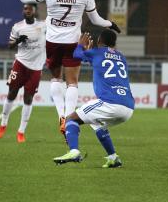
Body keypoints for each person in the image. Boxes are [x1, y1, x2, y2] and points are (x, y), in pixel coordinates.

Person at [2, 0, 120, 138]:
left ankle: (61, 116)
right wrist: (110, 23)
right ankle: (70, 119)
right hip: (73, 42)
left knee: (56, 78)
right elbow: (96, 21)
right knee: (72, 82)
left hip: (52, 42)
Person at [53, 30, 134, 168]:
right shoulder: (121, 57)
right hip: (128, 108)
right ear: (114, 43)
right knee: (96, 123)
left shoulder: (96, 52)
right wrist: (90, 53)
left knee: (71, 119)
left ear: (99, 41)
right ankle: (113, 158)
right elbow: (104, 64)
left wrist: (80, 45)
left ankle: (74, 151)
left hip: (110, 103)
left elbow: (76, 55)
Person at [0, 4, 46, 143]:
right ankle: (3, 125)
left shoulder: (44, 25)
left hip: (35, 68)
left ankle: (21, 131)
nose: (27, 11)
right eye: (25, 9)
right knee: (11, 93)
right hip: (20, 64)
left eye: (30, 9)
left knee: (28, 99)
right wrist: (18, 40)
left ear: (35, 11)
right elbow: (10, 45)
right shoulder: (17, 26)